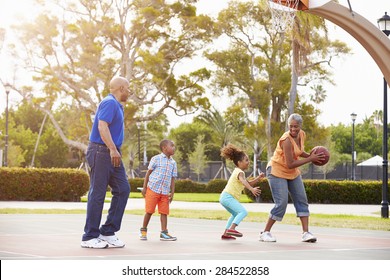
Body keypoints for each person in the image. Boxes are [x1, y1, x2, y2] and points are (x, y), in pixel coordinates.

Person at [81, 76, 131, 249]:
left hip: (112, 152)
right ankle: (89, 236)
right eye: (128, 88)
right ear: (122, 88)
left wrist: (114, 150)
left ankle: (108, 231)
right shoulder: (109, 103)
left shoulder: (118, 106)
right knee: (98, 194)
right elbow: (102, 127)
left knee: (123, 189)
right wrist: (112, 148)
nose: (129, 92)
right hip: (102, 151)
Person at [259, 113, 325, 243]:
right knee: (281, 202)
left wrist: (312, 157)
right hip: (276, 171)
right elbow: (290, 164)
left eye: (296, 126)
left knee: (302, 199)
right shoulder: (286, 140)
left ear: (300, 126)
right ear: (288, 126)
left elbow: (299, 153)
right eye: (291, 126)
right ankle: (265, 232)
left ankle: (306, 233)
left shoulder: (302, 135)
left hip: (292, 172)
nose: (294, 129)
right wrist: (310, 159)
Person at [219, 144, 263, 240]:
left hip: (224, 197)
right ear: (239, 162)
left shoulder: (238, 172)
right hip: (228, 197)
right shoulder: (240, 172)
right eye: (246, 160)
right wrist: (252, 189)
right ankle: (232, 229)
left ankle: (226, 233)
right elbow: (244, 182)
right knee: (243, 212)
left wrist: (258, 178)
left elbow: (247, 183)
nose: (248, 162)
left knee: (235, 214)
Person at [140, 139, 178, 241]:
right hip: (153, 189)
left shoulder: (173, 163)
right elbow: (148, 173)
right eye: (172, 145)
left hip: (165, 192)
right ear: (164, 148)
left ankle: (164, 233)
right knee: (149, 211)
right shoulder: (156, 159)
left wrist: (172, 193)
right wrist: (144, 188)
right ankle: (143, 230)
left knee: (164, 212)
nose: (174, 147)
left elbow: (173, 178)